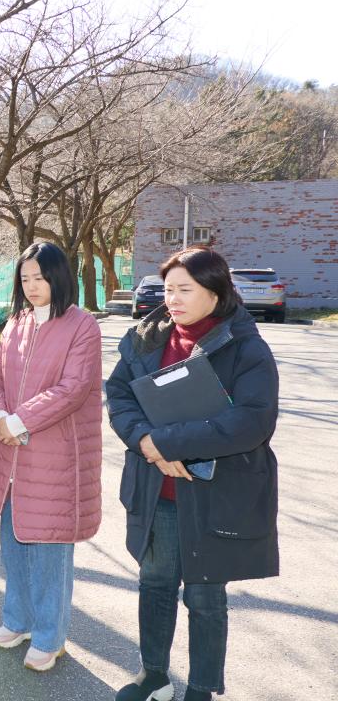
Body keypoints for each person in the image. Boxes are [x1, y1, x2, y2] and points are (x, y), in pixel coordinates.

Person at [106, 245, 280, 701]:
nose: (174, 299)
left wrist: (166, 443)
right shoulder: (148, 337)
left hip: (214, 492)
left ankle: (201, 688)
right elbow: (119, 394)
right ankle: (154, 674)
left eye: (185, 289)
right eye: (168, 290)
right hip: (156, 487)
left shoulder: (245, 346)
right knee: (155, 584)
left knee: (204, 598)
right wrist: (144, 440)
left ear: (215, 291)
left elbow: (253, 421)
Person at [0, 241, 103, 673]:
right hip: (10, 454)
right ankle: (19, 620)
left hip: (53, 456)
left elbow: (74, 386)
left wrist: (20, 420)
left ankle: (50, 636)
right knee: (13, 544)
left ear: (58, 276)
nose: (31, 286)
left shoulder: (82, 325)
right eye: (25, 278)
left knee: (48, 551)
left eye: (40, 277)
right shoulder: (16, 322)